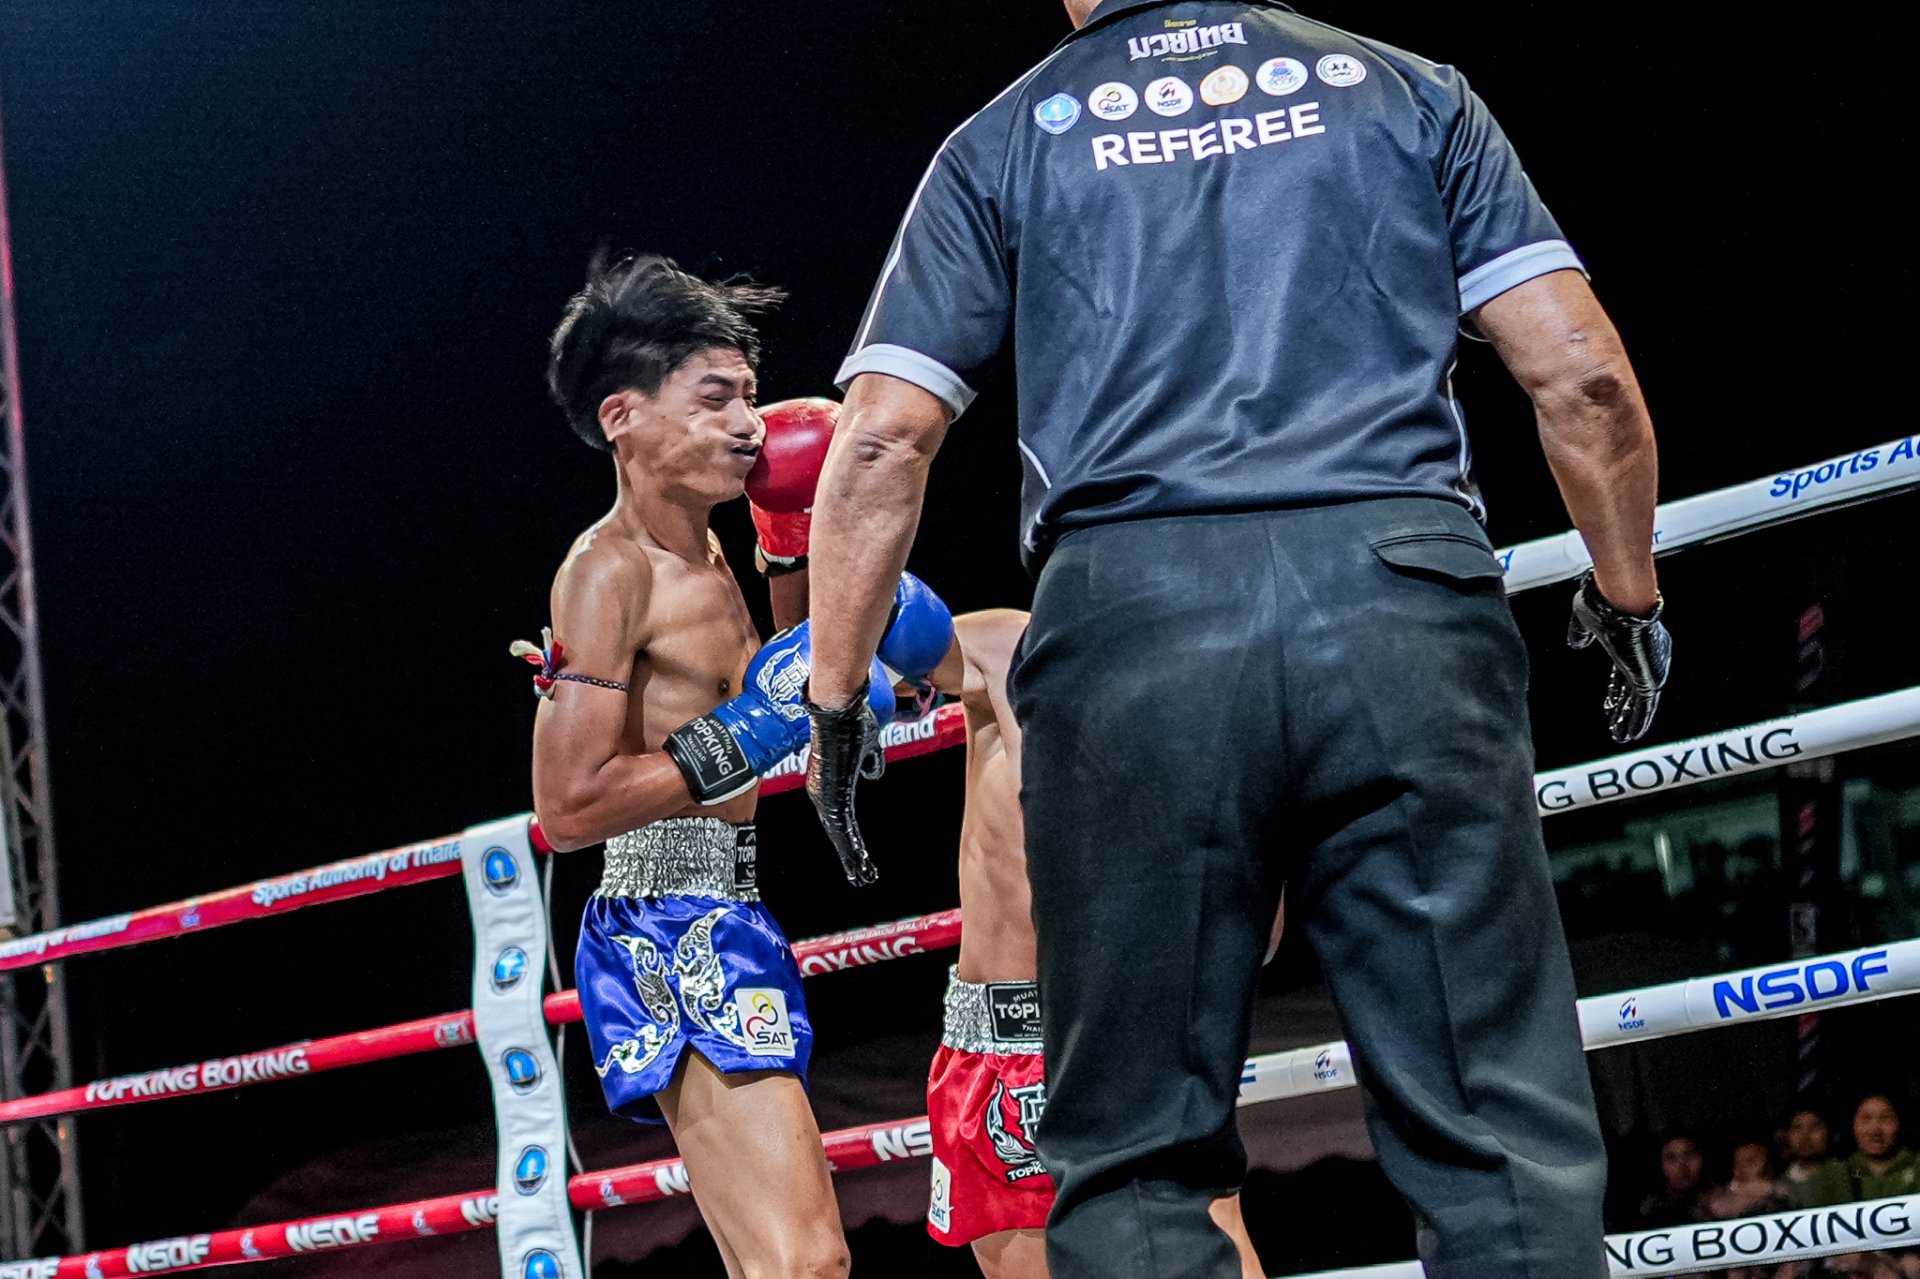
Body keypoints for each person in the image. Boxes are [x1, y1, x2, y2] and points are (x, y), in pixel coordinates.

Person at [799, 2, 1670, 1277]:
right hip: (1402, 598)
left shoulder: (1004, 137)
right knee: (1495, 1124)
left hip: (1134, 625)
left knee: (1136, 1153)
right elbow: (1583, 376)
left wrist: (834, 695)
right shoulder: (1405, 87)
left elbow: (880, 438)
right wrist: (1627, 591)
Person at [523, 255, 873, 1279]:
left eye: (750, 397)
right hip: (665, 921)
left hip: (730, 906)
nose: (749, 424)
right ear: (623, 415)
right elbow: (567, 807)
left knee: (779, 1263)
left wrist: (792, 544)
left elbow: (792, 679)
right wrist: (745, 736)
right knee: (804, 1262)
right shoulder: (607, 572)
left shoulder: (717, 553)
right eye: (714, 398)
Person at [918, 609, 1266, 1279]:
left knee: (1212, 1244)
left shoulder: (1203, 681)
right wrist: (786, 559)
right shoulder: (1007, 643)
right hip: (1009, 1042)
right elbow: (861, 645)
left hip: (1138, 1028)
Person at [1636, 1134, 1707, 1227]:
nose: (1682, 1166)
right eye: (1671, 1158)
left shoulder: (1720, 1197)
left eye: (1689, 1154)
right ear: (1661, 1165)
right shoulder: (1652, 1208)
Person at [1782, 1109, 1833, 1207]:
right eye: (1797, 1127)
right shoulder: (1779, 1184)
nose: (1805, 1136)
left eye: (1814, 1127)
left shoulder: (1843, 1176)